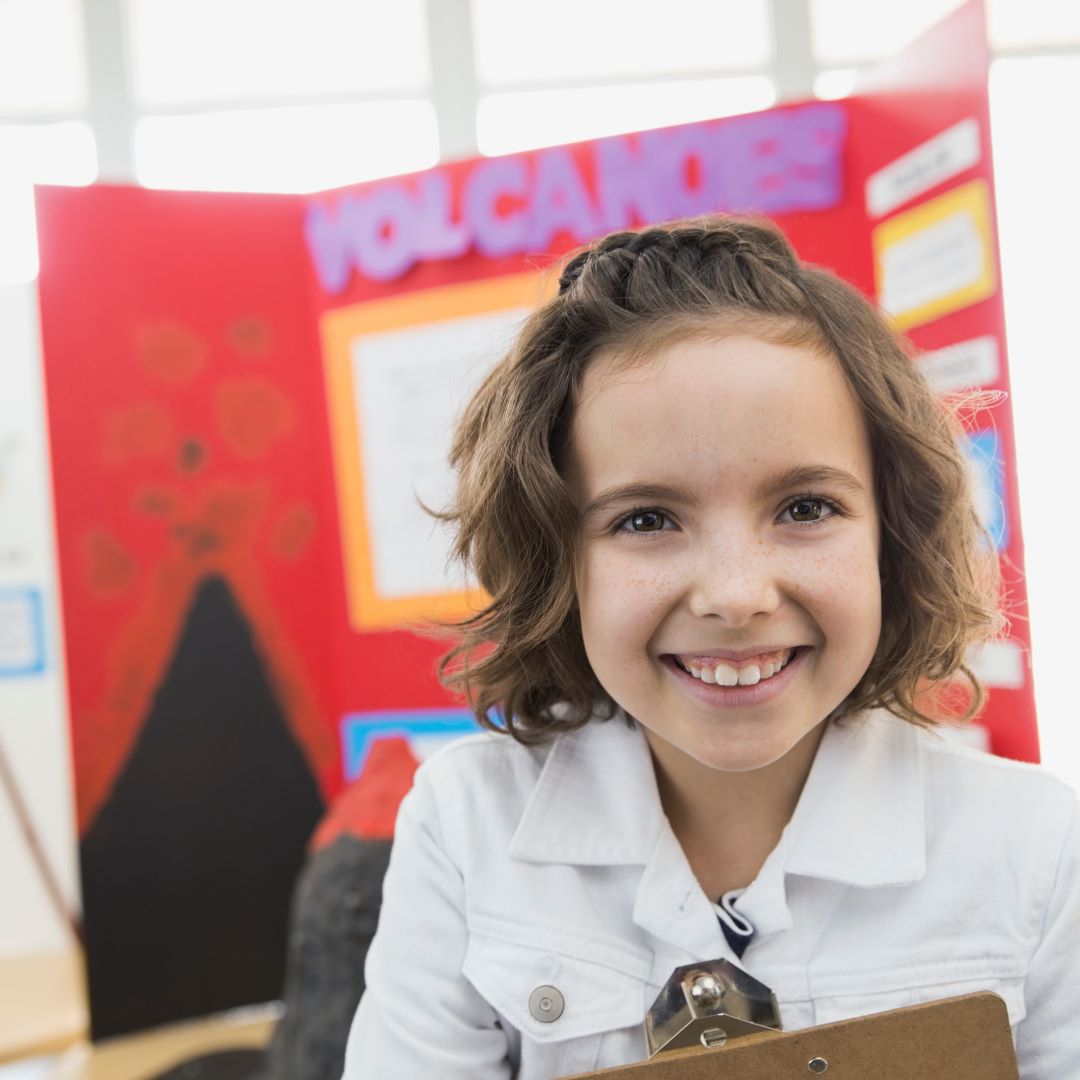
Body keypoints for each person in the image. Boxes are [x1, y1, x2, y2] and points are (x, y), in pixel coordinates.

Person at [340, 217, 1080, 1079]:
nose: (735, 595)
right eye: (646, 520)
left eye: (805, 508)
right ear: (558, 560)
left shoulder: (1034, 847)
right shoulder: (467, 829)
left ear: (893, 537)